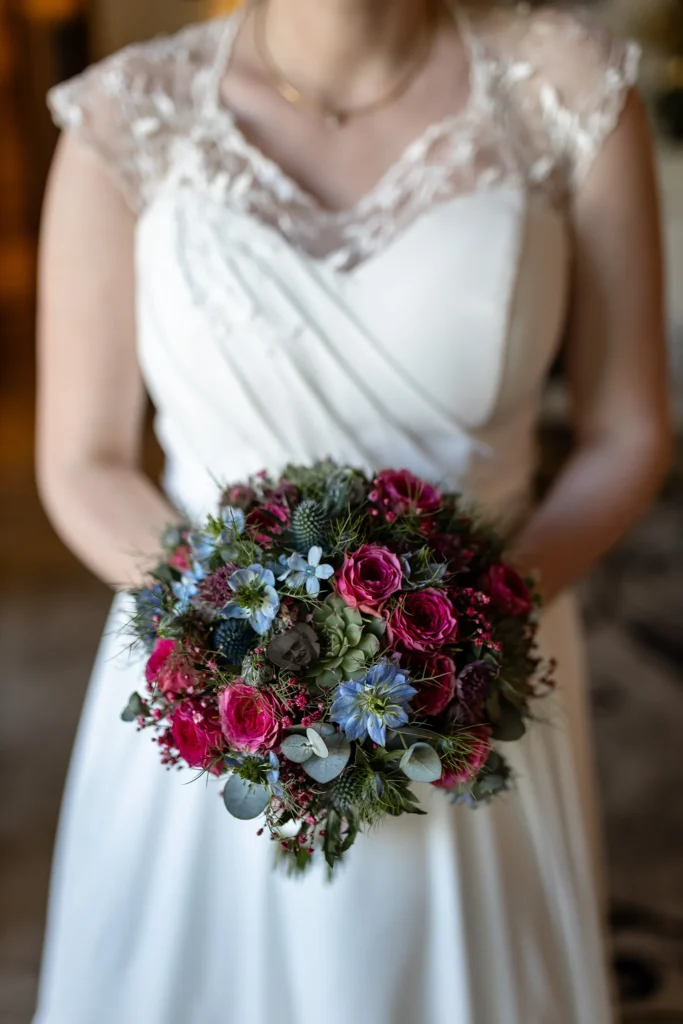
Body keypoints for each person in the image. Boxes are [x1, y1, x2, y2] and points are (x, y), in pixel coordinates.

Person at [33, 0, 671, 1021]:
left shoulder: (569, 91)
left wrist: (473, 620)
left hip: (482, 669)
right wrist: (227, 637)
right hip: (215, 684)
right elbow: (82, 458)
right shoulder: (126, 118)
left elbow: (625, 430)